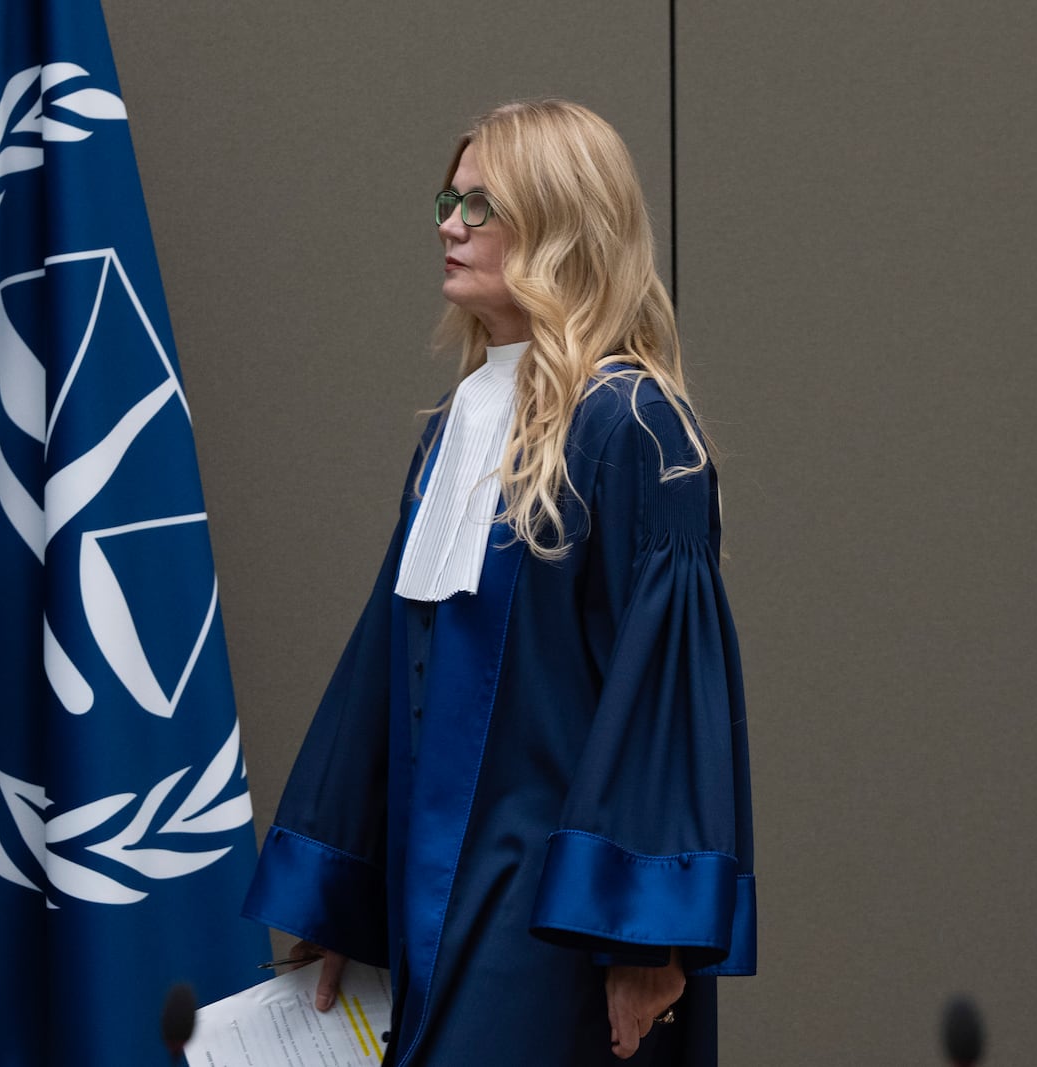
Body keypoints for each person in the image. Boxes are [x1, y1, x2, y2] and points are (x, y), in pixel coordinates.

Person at [243, 100, 755, 1066]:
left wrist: (649, 939)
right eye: (450, 198)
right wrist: (344, 896)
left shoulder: (636, 428)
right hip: (435, 899)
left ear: (564, 225)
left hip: (555, 917)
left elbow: (669, 701)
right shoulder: (457, 422)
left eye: (482, 204)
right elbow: (383, 676)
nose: (448, 223)